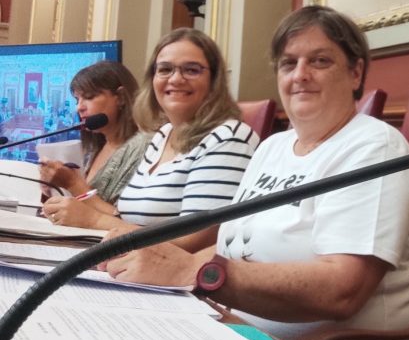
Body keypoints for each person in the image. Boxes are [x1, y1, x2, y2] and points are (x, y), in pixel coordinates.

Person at [102, 6, 409, 340]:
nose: (300, 74)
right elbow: (228, 250)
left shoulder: (373, 148)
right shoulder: (273, 147)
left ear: (355, 73)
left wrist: (190, 270)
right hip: (228, 325)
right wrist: (151, 262)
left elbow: (342, 292)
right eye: (289, 63)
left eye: (320, 61)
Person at [44, 28, 259, 253]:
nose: (176, 79)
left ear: (214, 80)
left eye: (191, 70)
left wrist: (95, 221)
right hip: (125, 263)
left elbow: (194, 242)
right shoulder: (162, 136)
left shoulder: (229, 138)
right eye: (165, 69)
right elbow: (126, 218)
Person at [40, 61, 149, 218]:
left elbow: (123, 220)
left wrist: (73, 184)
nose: (79, 107)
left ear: (120, 97)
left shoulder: (144, 147)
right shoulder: (95, 147)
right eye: (77, 99)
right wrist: (52, 189)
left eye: (89, 97)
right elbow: (77, 208)